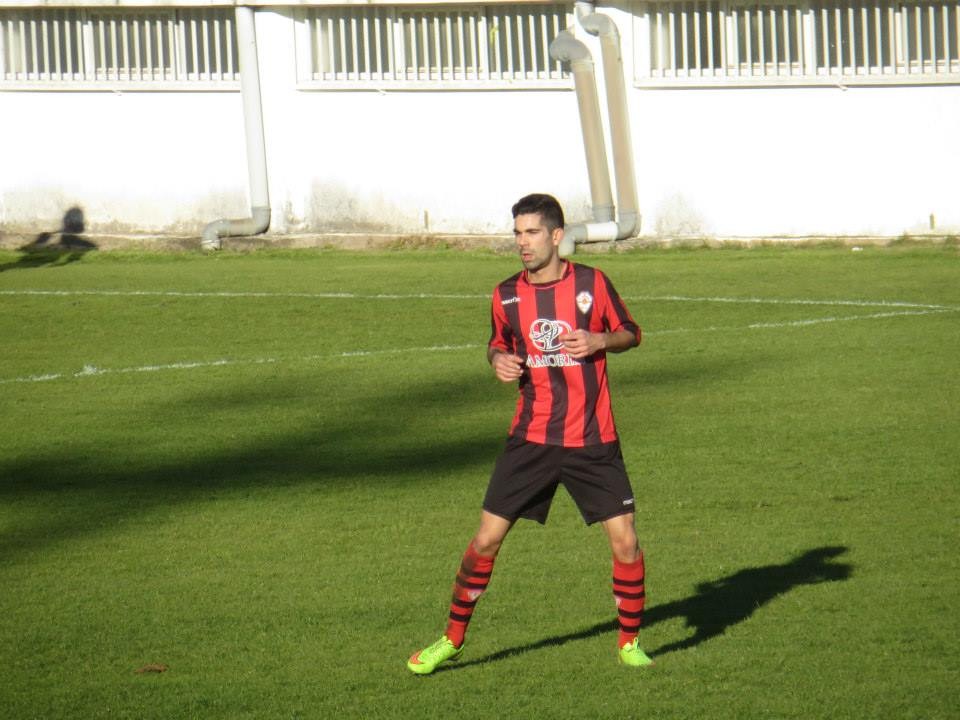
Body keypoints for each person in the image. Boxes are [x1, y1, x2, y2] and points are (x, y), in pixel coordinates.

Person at [406, 193, 652, 674]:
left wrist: (600, 339)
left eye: (532, 232)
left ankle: (629, 642)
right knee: (485, 541)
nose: (523, 242)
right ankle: (452, 639)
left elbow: (631, 332)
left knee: (625, 542)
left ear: (556, 236)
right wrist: (497, 360)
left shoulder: (592, 283)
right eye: (518, 233)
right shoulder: (505, 295)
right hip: (530, 439)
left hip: (592, 439)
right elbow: (496, 344)